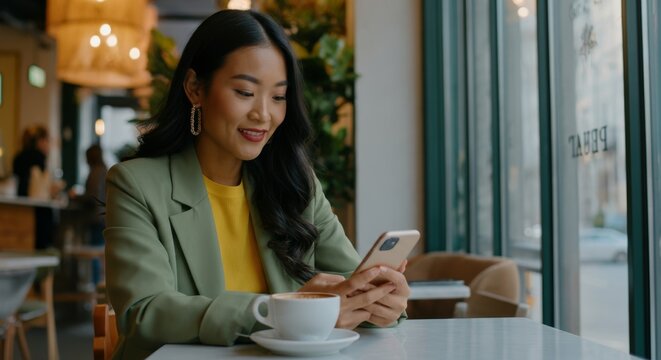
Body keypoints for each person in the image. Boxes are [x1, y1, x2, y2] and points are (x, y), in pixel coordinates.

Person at [104, 9, 410, 359]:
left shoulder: (296, 184)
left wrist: (381, 304)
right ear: (195, 89)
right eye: (245, 92)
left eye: (278, 97)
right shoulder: (137, 184)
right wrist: (284, 314)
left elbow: (348, 285)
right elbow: (144, 312)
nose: (263, 114)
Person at [12, 125, 55, 248]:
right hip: (38, 209)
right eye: (47, 141)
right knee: (40, 246)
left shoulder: (18, 157)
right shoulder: (38, 157)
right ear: (40, 141)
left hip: (20, 206)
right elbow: (42, 188)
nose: (48, 145)